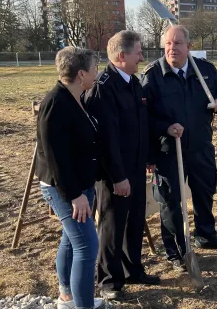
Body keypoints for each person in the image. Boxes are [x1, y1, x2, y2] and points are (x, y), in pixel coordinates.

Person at [140, 25, 217, 273]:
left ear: (188, 47)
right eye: (168, 44)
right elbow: (143, 117)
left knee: (205, 191)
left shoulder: (206, 71)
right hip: (169, 150)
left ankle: (206, 235)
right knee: (170, 202)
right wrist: (165, 127)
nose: (172, 48)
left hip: (201, 145)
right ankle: (176, 251)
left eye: (178, 43)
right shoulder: (153, 75)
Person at [84, 30, 160, 300]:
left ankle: (132, 270)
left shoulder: (134, 83)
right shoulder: (104, 87)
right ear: (121, 55)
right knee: (112, 225)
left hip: (137, 167)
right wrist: (118, 177)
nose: (142, 56)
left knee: (135, 221)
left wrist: (149, 158)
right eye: (137, 52)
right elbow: (106, 139)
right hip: (115, 174)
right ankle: (108, 280)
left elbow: (142, 125)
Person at [36, 47, 106, 309]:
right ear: (80, 74)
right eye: (94, 68)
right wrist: (74, 195)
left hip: (80, 184)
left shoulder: (77, 98)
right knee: (87, 247)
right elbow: (56, 157)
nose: (96, 73)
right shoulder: (56, 103)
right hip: (64, 188)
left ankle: (67, 296)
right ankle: (83, 305)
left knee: (71, 239)